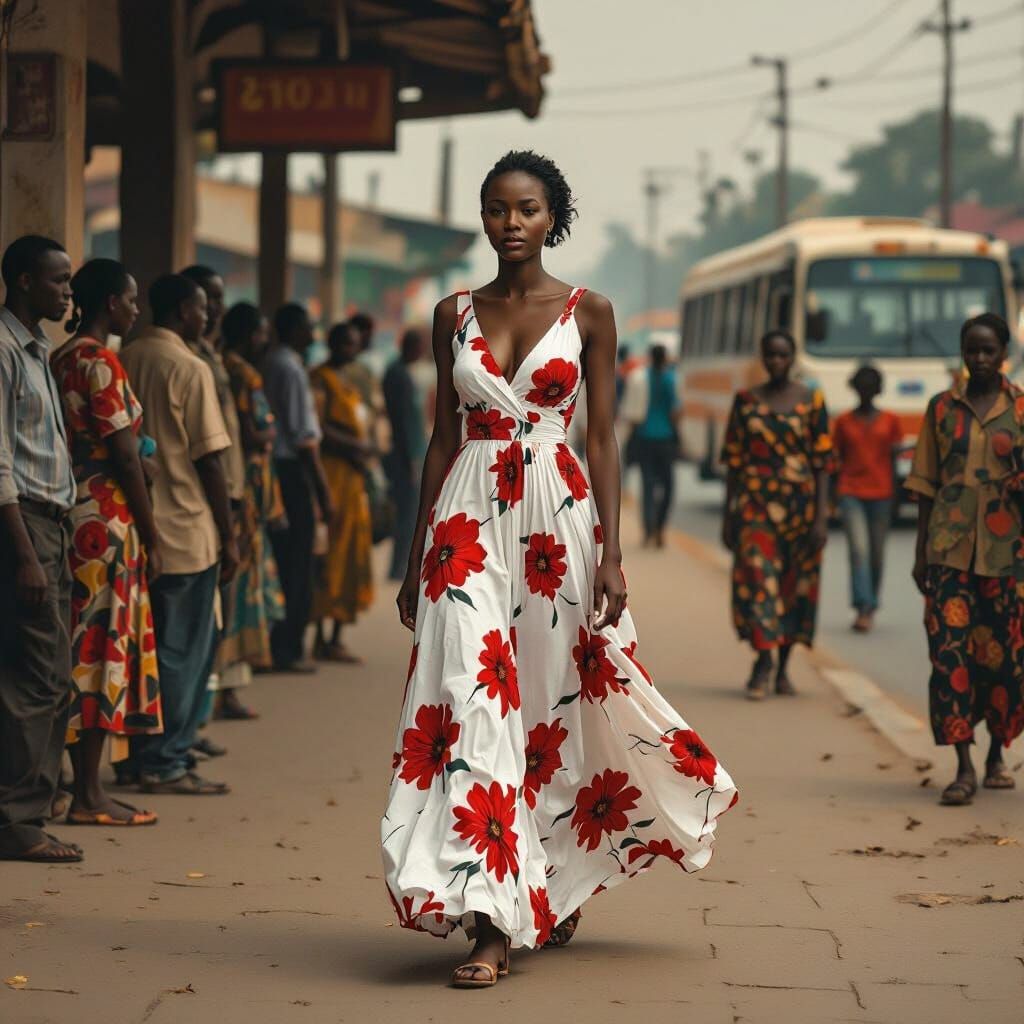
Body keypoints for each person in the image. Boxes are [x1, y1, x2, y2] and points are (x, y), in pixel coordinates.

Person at [382, 150, 736, 988]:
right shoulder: (451, 313)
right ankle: (490, 921)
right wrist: (413, 552)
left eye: (528, 210)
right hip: (466, 527)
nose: (511, 223)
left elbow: (602, 436)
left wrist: (614, 552)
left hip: (554, 527)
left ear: (553, 218)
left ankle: (549, 873)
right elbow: (441, 436)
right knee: (472, 706)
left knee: (545, 712)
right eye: (497, 209)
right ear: (483, 216)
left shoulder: (591, 312)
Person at [51, 259, 162, 826]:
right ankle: (89, 793)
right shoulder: (99, 362)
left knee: (79, 645)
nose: (136, 309)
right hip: (110, 517)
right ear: (109, 304)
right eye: (130, 299)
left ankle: (76, 783)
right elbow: (124, 452)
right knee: (101, 650)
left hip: (75, 509)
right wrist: (151, 529)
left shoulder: (60, 357)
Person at [119, 274, 238, 794]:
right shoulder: (188, 367)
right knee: (184, 649)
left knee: (138, 648)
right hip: (187, 525)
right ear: (182, 312)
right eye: (199, 307)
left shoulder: (122, 356)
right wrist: (230, 534)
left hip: (130, 525)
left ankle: (135, 753)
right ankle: (166, 759)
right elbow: (211, 461)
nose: (207, 315)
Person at [907, 313, 1024, 807]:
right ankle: (962, 765)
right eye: (971, 350)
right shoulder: (940, 410)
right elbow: (924, 486)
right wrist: (920, 553)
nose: (979, 359)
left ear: (1003, 353)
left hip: (1009, 556)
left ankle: (998, 752)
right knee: (949, 656)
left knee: (1006, 657)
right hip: (948, 552)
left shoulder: (1020, 409)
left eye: (988, 351)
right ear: (962, 352)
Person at [0, 236, 81, 862]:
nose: (66, 291)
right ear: (25, 282)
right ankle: (18, 818)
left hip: (50, 524)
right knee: (39, 677)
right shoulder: (4, 351)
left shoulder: (37, 351)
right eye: (57, 280)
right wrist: (26, 553)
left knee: (43, 673)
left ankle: (30, 803)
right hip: (22, 525)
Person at [720, 330, 832, 700]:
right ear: (763, 358)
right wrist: (728, 514)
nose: (777, 362)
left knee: (794, 588)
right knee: (758, 581)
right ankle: (764, 660)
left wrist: (820, 518)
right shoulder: (746, 401)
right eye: (770, 355)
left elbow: (823, 463)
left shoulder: (812, 401)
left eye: (783, 355)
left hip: (801, 509)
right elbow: (734, 462)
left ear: (793, 357)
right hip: (755, 506)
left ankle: (782, 666)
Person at [179, 265, 251, 726]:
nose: (214, 312)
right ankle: (183, 731)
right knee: (191, 626)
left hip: (227, 496)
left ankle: (195, 720)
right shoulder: (190, 360)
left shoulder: (210, 353)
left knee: (214, 617)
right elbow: (206, 452)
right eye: (207, 302)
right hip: (203, 502)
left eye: (218, 303)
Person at [262, 303, 333, 672]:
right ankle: (288, 647)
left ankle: (281, 643)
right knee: (297, 561)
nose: (312, 335)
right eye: (307, 328)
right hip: (292, 470)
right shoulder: (289, 368)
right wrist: (322, 491)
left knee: (287, 556)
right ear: (292, 330)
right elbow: (304, 437)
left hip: (280, 468)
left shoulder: (276, 362)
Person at [218, 302, 285, 677]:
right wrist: (270, 433)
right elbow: (249, 432)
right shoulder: (243, 374)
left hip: (242, 485)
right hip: (246, 488)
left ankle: (228, 680)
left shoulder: (223, 365)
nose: (263, 339)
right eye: (259, 332)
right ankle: (231, 679)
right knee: (244, 583)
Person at [310, 321, 374, 662]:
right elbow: (319, 429)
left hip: (352, 478)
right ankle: (321, 632)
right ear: (334, 344)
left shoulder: (348, 380)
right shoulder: (320, 380)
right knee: (330, 551)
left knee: (350, 551)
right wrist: (356, 446)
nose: (352, 350)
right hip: (333, 473)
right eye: (347, 344)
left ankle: (336, 633)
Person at [832, 364, 902, 633]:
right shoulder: (843, 422)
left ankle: (871, 603)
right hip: (850, 493)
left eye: (871, 387)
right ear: (855, 389)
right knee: (859, 551)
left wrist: (897, 496)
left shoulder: (890, 421)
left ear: (877, 390)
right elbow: (834, 461)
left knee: (876, 554)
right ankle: (863, 606)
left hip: (882, 494)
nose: (866, 393)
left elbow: (894, 460)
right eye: (862, 387)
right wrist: (829, 499)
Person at [382, 326, 429, 581]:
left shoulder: (400, 372)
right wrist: (412, 459)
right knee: (406, 513)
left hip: (409, 454)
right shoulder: (397, 375)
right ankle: (399, 567)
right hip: (405, 457)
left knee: (409, 512)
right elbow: (402, 422)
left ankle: (400, 566)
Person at [631, 343, 680, 547]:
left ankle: (648, 529)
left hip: (644, 436)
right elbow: (675, 410)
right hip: (666, 438)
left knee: (647, 485)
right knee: (668, 486)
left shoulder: (641, 377)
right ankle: (660, 527)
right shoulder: (670, 378)